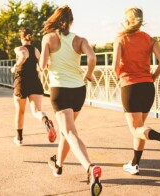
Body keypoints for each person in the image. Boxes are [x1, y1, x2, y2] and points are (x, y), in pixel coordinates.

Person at [39, 5, 102, 196]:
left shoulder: (48, 38)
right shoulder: (80, 40)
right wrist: (89, 74)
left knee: (69, 131)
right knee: (67, 131)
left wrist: (50, 62)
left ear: (55, 20)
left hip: (60, 90)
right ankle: (58, 165)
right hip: (78, 90)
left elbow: (42, 65)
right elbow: (92, 57)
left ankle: (90, 168)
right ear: (71, 21)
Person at [112, 7, 160, 175]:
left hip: (130, 86)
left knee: (135, 129)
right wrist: (153, 77)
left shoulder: (120, 39)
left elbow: (115, 66)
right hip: (147, 87)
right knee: (141, 128)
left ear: (127, 21)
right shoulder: (150, 40)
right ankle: (135, 164)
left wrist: (119, 78)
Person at [11, 28, 56, 146]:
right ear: (31, 38)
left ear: (21, 38)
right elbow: (43, 66)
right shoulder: (36, 50)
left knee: (20, 111)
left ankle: (19, 138)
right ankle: (46, 120)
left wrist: (15, 66)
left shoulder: (19, 48)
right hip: (35, 82)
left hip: (21, 82)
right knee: (37, 111)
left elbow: (23, 56)